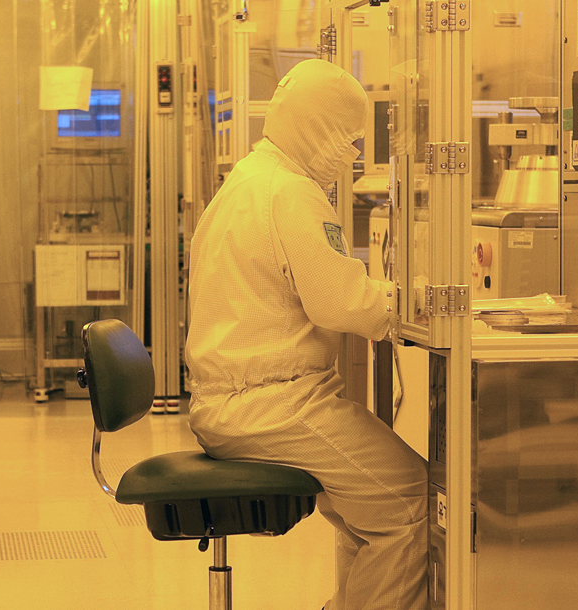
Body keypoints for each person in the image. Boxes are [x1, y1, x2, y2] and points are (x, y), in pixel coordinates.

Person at [184, 59, 427, 610]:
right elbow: (341, 304)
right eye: (350, 137)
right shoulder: (292, 192)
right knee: (412, 500)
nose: (354, 153)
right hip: (272, 406)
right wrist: (411, 302)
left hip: (237, 402)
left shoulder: (246, 180)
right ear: (317, 127)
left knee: (370, 509)